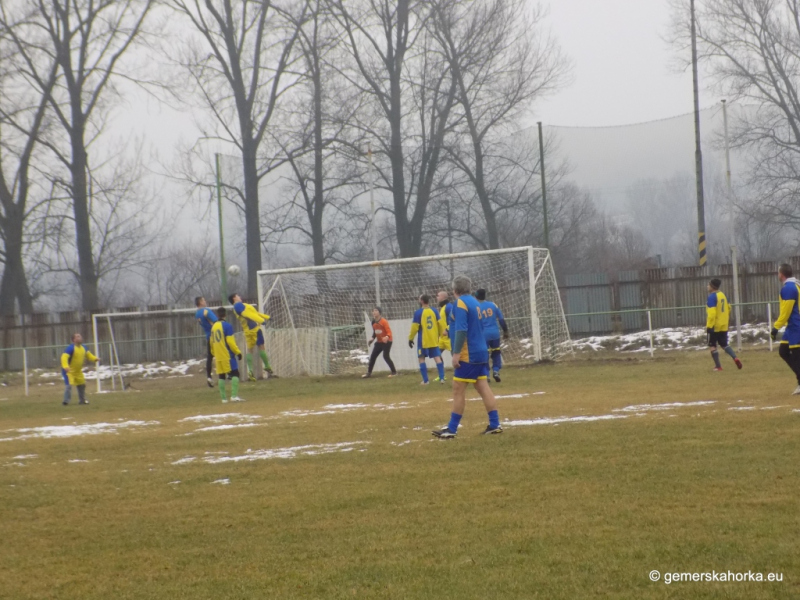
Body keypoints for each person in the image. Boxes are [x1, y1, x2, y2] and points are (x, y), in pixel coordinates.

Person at [433, 275, 502, 438]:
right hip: (481, 350)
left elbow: (462, 330)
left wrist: (456, 354)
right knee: (483, 386)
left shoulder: (460, 303)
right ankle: (494, 424)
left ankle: (452, 429)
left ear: (454, 289)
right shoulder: (475, 302)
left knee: (458, 389)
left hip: (468, 354)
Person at [229, 293, 275, 381]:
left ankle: (250, 371)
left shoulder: (240, 306)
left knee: (250, 350)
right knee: (261, 347)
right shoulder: (238, 306)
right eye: (238, 296)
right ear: (234, 298)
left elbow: (254, 313)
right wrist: (261, 320)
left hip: (247, 331)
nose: (240, 297)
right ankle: (267, 366)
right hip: (254, 329)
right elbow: (248, 315)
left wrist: (266, 317)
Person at [771, 264, 800, 395]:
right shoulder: (795, 285)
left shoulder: (789, 288)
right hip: (791, 327)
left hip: (796, 327)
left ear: (781, 274)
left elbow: (786, 312)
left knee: (796, 356)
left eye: (778, 272)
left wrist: (776, 327)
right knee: (783, 351)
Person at [706, 278, 742, 372]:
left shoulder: (712, 297)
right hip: (724, 324)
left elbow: (712, 313)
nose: (707, 286)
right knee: (724, 344)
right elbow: (729, 308)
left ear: (712, 287)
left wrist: (709, 326)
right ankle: (735, 358)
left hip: (714, 325)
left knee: (712, 345)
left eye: (708, 285)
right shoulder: (724, 295)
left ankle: (718, 366)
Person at [210, 307, 245, 403]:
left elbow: (211, 342)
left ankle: (223, 398)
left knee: (221, 376)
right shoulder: (227, 326)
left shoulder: (213, 327)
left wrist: (213, 353)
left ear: (217, 315)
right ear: (225, 315)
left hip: (218, 355)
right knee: (235, 374)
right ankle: (234, 396)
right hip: (227, 354)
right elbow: (230, 342)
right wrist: (237, 352)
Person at [409, 295, 446, 384]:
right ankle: (442, 378)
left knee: (421, 358)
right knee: (437, 358)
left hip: (423, 340)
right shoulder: (434, 311)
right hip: (433, 339)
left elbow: (414, 327)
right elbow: (440, 323)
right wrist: (442, 333)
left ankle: (426, 381)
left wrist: (410, 338)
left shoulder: (418, 313)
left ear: (422, 301)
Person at [475, 288, 509, 382]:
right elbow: (501, 319)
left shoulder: (476, 307)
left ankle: (486, 374)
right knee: (496, 352)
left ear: (476, 296)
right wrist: (505, 331)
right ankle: (496, 371)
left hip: (483, 335)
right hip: (495, 334)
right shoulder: (493, 305)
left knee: (484, 354)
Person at [61, 333, 99, 406]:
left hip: (78, 371)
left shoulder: (83, 347)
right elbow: (64, 357)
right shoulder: (71, 348)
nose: (80, 338)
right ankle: (66, 401)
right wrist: (65, 366)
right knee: (68, 386)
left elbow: (88, 355)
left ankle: (82, 400)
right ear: (74, 340)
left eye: (80, 336)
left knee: (82, 385)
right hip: (69, 371)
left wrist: (95, 358)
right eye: (78, 337)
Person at [363, 307, 397, 378]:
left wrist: (386, 337)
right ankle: (369, 373)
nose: (374, 312)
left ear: (379, 312)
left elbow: (389, 332)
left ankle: (394, 372)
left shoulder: (384, 321)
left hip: (387, 341)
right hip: (379, 342)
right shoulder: (373, 322)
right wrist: (372, 338)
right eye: (373, 311)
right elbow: (375, 332)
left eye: (376, 310)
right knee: (373, 356)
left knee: (386, 356)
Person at [195, 296, 218, 388]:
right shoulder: (206, 311)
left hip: (208, 336)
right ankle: (226, 374)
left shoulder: (197, 314)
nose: (205, 301)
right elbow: (216, 321)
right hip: (216, 336)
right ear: (200, 302)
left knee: (210, 357)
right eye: (204, 300)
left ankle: (209, 376)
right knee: (222, 353)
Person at [436, 291, 453, 356]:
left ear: (443, 297)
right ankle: (440, 364)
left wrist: (447, 330)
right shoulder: (443, 308)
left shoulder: (449, 307)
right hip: (442, 338)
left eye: (438, 296)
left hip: (449, 337)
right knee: (436, 355)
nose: (437, 297)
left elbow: (453, 320)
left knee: (454, 355)